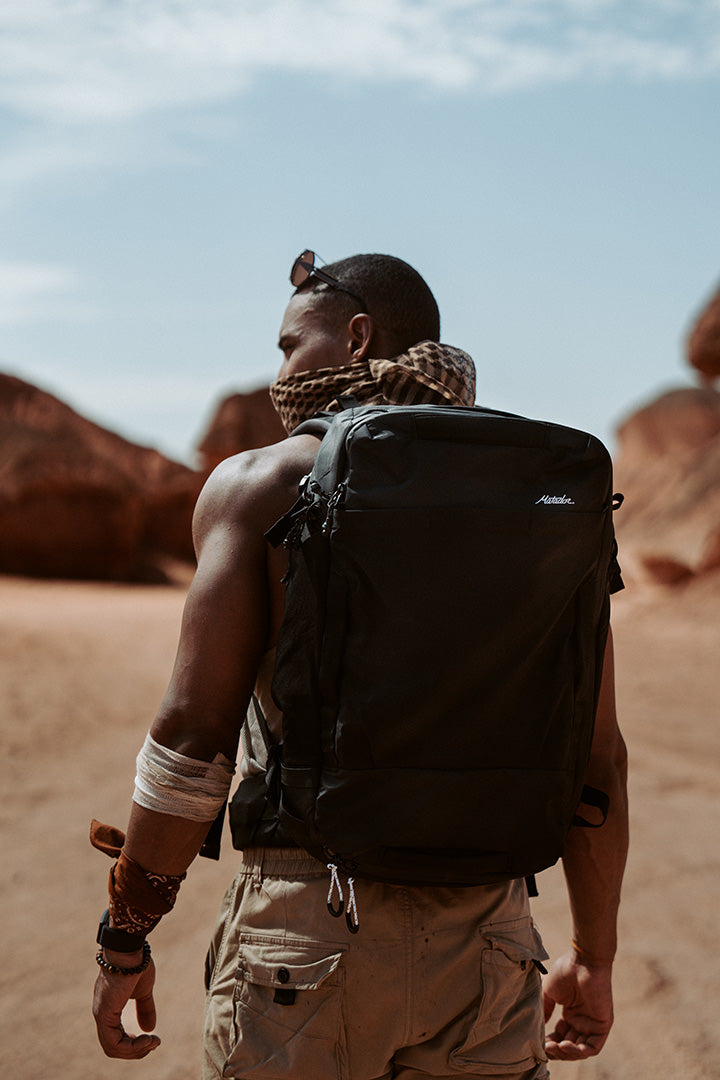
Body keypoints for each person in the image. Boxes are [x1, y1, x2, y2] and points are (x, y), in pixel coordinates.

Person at [92, 251, 628, 1080]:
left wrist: (124, 938)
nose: (278, 373)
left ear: (356, 337)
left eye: (287, 345)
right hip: (492, 936)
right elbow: (599, 760)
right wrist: (592, 957)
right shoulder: (542, 497)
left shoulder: (262, 483)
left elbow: (193, 740)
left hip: (305, 941)